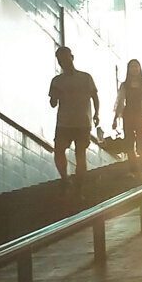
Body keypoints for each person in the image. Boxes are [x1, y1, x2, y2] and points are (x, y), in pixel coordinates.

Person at [48, 44, 99, 181]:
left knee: (80, 152)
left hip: (82, 121)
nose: (63, 62)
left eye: (66, 58)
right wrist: (55, 96)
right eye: (60, 60)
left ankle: (79, 184)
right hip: (64, 122)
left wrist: (96, 114)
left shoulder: (85, 77)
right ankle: (65, 178)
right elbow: (53, 104)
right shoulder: (57, 81)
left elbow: (94, 96)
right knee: (59, 150)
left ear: (72, 58)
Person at [113, 57, 142, 165]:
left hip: (140, 114)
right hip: (128, 114)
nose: (134, 69)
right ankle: (132, 168)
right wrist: (116, 118)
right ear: (128, 69)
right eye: (131, 67)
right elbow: (120, 101)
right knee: (129, 143)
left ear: (139, 68)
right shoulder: (124, 85)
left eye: (136, 66)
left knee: (141, 143)